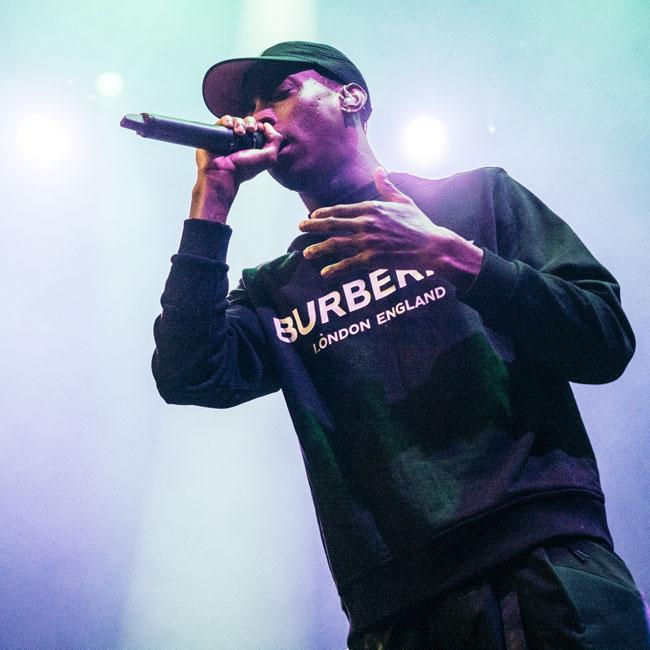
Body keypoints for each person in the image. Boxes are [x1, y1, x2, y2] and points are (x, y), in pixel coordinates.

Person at [152, 41, 649, 648]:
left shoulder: (476, 201)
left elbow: (604, 340)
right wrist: (212, 199)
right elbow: (188, 374)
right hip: (398, 612)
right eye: (251, 107)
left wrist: (456, 259)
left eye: (280, 94)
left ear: (351, 97)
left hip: (544, 566)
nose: (259, 116)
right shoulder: (275, 291)